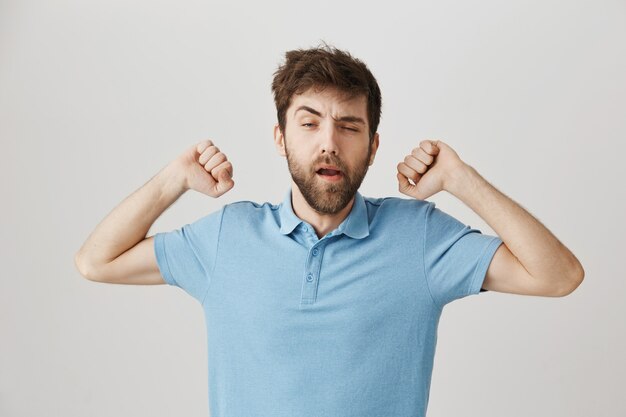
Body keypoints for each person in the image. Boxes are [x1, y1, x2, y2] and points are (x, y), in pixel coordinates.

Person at [75, 43, 584, 417]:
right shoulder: (229, 236)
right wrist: (174, 180)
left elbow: (558, 276)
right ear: (281, 138)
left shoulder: (420, 237)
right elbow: (97, 261)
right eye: (310, 122)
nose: (329, 143)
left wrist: (460, 180)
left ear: (373, 145)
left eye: (349, 126)